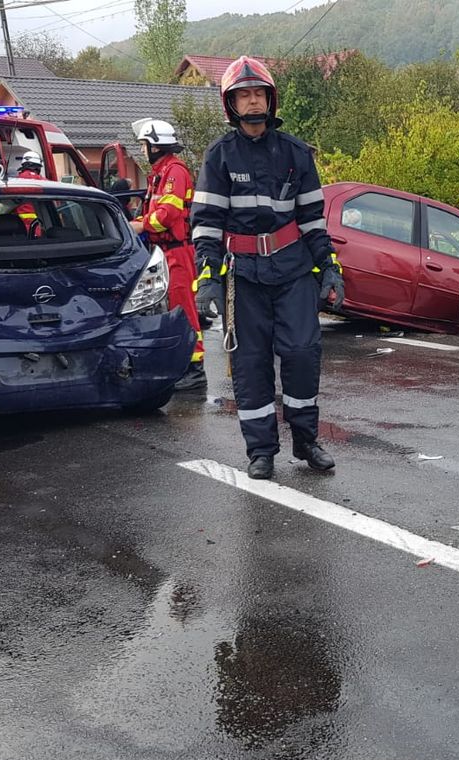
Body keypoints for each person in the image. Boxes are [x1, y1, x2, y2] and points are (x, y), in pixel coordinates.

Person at [190, 56, 341, 480]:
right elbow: (206, 225)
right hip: (243, 278)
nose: (252, 101)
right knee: (251, 363)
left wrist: (329, 268)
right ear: (231, 104)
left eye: (258, 94)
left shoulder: (296, 153)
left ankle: (306, 440)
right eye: (244, 95)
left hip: (292, 271)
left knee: (302, 353)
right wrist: (208, 278)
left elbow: (313, 221)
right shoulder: (219, 156)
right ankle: (261, 451)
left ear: (270, 100)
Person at [128, 117, 205, 391]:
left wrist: (139, 225)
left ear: (155, 145)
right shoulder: (162, 173)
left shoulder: (175, 172)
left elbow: (167, 215)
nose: (142, 151)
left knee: (183, 309)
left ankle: (195, 369)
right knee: (172, 308)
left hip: (177, 252)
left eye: (144, 145)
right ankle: (179, 361)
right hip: (164, 252)